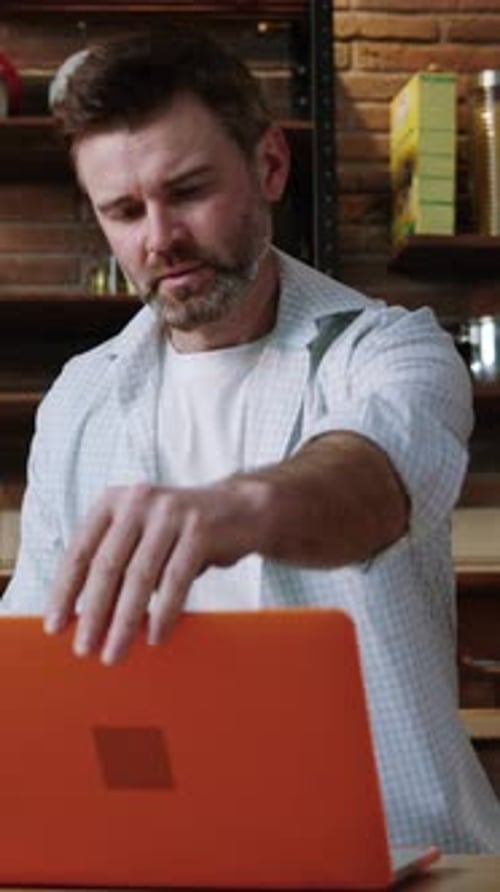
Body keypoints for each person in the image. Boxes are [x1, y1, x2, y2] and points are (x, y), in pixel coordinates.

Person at [2, 28, 499, 853]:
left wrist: (240, 507)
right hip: (152, 845)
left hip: (399, 847)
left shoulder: (389, 348)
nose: (158, 239)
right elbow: (36, 643)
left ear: (269, 166)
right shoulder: (79, 397)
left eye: (188, 190)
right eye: (124, 212)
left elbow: (373, 480)